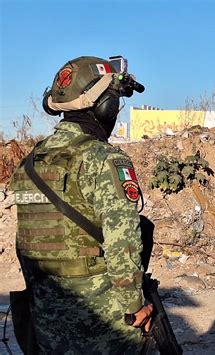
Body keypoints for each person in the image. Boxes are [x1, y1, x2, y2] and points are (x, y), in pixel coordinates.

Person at [10, 56, 154, 353]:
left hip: (47, 321)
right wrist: (135, 305)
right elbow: (122, 246)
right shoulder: (105, 161)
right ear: (106, 107)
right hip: (102, 326)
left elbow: (24, 245)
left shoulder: (30, 164)